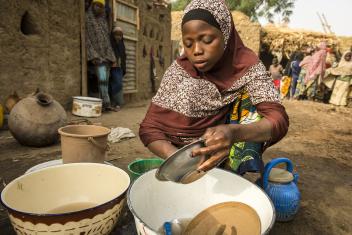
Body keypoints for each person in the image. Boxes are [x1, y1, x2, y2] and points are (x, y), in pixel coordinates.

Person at [139, 0, 289, 175]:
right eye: (188, 44)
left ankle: (234, 173)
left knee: (250, 103)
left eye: (207, 40)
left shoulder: (247, 66)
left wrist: (235, 133)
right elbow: (148, 128)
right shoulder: (179, 71)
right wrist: (181, 161)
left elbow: (278, 119)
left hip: (228, 144)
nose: (196, 50)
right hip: (184, 155)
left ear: (225, 34)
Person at [86, 0, 117, 111]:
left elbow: (107, 40)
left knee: (105, 81)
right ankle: (106, 103)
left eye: (101, 6)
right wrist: (93, 55)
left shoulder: (103, 20)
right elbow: (87, 39)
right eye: (97, 5)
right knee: (102, 80)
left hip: (107, 57)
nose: (99, 8)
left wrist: (111, 56)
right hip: (97, 56)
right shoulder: (88, 19)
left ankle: (103, 104)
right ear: (92, 5)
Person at [109, 25, 127, 109]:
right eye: (116, 34)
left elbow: (124, 57)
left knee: (118, 84)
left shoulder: (122, 44)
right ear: (113, 35)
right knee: (114, 84)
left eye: (120, 35)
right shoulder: (110, 43)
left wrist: (124, 68)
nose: (118, 37)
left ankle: (116, 102)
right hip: (111, 67)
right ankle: (114, 102)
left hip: (119, 68)